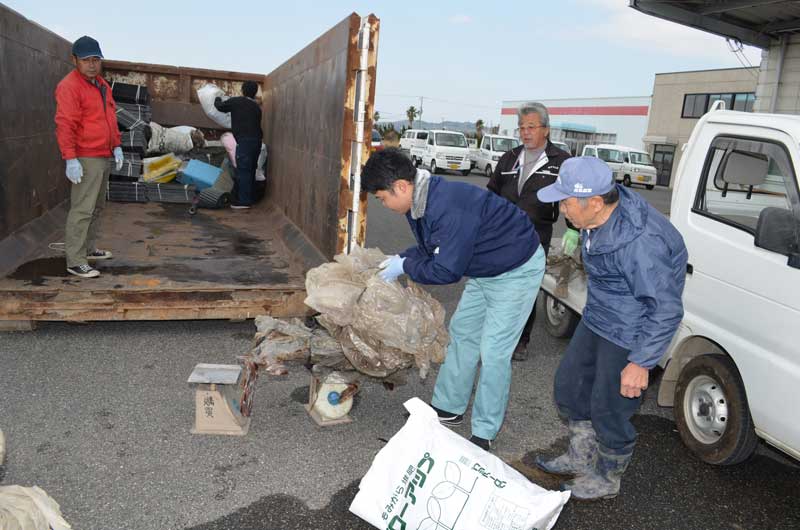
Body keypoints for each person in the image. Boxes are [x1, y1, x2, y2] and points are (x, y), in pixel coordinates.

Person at [361, 148, 546, 451]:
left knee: (494, 350)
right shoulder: (419, 201)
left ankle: (485, 431)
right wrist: (402, 257)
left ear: (402, 186)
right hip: (486, 266)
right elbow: (431, 247)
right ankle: (449, 407)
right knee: (462, 334)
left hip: (516, 269)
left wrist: (405, 266)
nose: (384, 204)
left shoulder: (447, 207)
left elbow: (446, 269)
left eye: (382, 198)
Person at [533, 157, 687, 500]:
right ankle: (581, 453)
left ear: (596, 202)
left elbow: (666, 309)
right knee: (570, 387)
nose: (561, 209)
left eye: (567, 201)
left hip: (632, 327)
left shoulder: (640, 244)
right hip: (600, 313)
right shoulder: (596, 217)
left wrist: (641, 362)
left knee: (610, 406)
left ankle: (606, 476)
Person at [487, 102, 573, 361]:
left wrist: (574, 231)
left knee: (525, 291)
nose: (525, 133)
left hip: (536, 237)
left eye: (531, 127)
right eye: (521, 128)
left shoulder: (562, 162)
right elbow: (491, 194)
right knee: (497, 286)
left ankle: (521, 340)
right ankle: (494, 335)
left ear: (546, 130)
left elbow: (572, 199)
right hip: (501, 237)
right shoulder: (509, 158)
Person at [55, 36, 123, 279]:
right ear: (74, 60)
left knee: (97, 207)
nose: (92, 65)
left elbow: (110, 118)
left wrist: (116, 145)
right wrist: (70, 158)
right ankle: (75, 260)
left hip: (103, 154)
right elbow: (65, 124)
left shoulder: (101, 85)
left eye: (96, 59)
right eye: (86, 60)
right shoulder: (70, 86)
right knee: (82, 209)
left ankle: (89, 249)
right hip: (86, 156)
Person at [214, 81, 263, 209]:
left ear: (242, 90)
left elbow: (219, 106)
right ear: (255, 93)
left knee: (243, 170)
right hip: (257, 141)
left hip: (245, 141)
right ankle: (249, 198)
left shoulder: (237, 101)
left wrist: (217, 97)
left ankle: (244, 201)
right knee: (251, 169)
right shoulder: (256, 107)